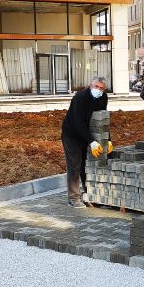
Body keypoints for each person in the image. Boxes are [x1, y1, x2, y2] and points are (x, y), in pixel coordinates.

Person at [61, 77, 112, 208]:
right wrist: (92, 142)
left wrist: (108, 140)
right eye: (96, 86)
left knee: (86, 165)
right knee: (75, 165)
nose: (99, 90)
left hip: (88, 135)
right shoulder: (80, 97)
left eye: (101, 88)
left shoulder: (103, 97)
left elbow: (102, 119)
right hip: (72, 134)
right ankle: (73, 198)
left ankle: (89, 195)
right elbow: (79, 123)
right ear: (91, 85)